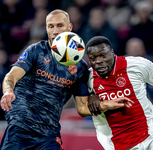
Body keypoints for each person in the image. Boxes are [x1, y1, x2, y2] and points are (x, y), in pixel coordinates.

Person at [0, 9, 132, 150]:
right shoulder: (36, 51)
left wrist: (108, 104)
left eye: (60, 25)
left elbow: (82, 108)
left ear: (70, 27)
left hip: (49, 136)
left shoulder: (80, 68)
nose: (55, 31)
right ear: (46, 29)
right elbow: (12, 75)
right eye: (51, 26)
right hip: (20, 128)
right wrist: (8, 91)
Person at [76, 36, 153, 150]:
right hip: (122, 145)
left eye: (102, 55)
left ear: (113, 53)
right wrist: (91, 96)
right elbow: (82, 108)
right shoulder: (88, 80)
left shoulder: (136, 65)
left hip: (152, 136)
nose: (98, 61)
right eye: (93, 58)